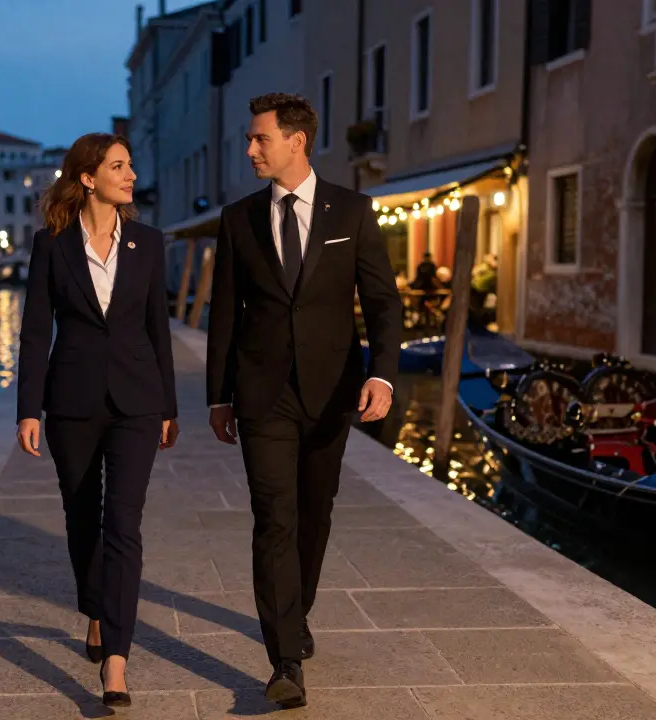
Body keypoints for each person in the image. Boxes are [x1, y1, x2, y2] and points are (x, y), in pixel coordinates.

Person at [205, 93, 402, 709]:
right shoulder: (238, 219)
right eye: (249, 138)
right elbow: (223, 315)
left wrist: (384, 376)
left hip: (331, 392)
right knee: (274, 518)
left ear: (297, 141)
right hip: (262, 395)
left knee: (315, 516)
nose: (250, 149)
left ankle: (299, 613)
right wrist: (219, 395)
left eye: (260, 138)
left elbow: (383, 303)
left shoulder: (353, 210)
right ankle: (283, 659)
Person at [15, 132, 180, 710]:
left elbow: (158, 327)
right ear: (88, 177)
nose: (130, 174)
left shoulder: (148, 242)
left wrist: (169, 406)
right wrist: (27, 410)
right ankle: (94, 607)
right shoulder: (51, 244)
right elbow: (36, 332)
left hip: (136, 401)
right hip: (72, 402)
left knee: (124, 525)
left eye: (131, 165)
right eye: (118, 166)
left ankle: (116, 658)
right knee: (82, 517)